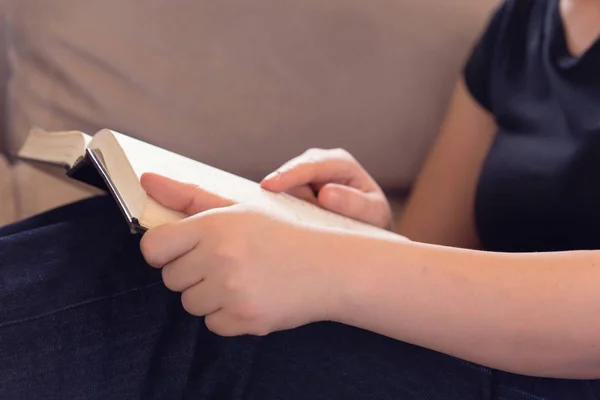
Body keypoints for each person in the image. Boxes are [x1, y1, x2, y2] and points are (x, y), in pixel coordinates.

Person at [2, 0, 599, 398]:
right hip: (472, 358)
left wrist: (336, 267)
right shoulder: (525, 22)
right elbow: (437, 247)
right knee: (140, 241)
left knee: (172, 302)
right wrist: (357, 230)